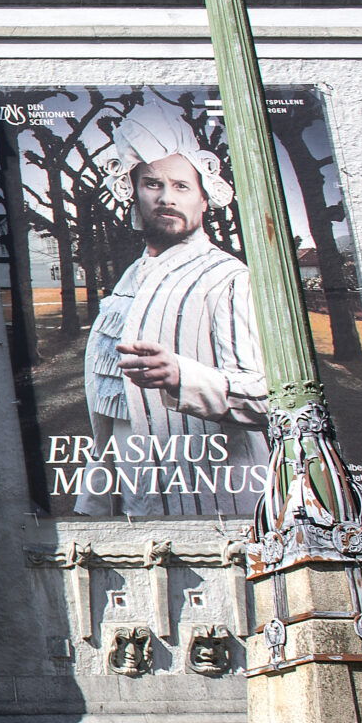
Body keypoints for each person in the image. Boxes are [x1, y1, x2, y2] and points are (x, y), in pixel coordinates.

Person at [75, 98, 271, 518]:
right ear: (133, 194)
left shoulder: (227, 277)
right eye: (152, 184)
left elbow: (265, 398)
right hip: (135, 502)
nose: (166, 197)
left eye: (181, 186)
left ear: (204, 198)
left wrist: (184, 376)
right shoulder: (130, 278)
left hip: (214, 504)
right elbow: (111, 421)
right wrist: (93, 503)